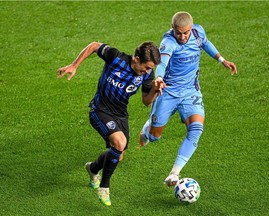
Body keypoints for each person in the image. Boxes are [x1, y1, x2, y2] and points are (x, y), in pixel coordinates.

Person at [57, 41, 164, 206]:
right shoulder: (116, 58)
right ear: (136, 59)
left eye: (151, 69)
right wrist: (74, 65)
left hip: (120, 114)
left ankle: (92, 168)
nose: (148, 71)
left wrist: (155, 90)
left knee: (118, 156)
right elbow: (93, 46)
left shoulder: (147, 75)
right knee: (119, 143)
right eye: (147, 67)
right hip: (99, 110)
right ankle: (104, 187)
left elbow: (146, 101)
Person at [139, 11, 237, 187]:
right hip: (168, 92)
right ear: (172, 29)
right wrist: (159, 78)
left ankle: (174, 173)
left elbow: (206, 44)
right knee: (154, 137)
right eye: (179, 33)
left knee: (196, 129)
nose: (183, 36)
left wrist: (222, 60)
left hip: (191, 92)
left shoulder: (198, 32)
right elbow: (162, 62)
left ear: (191, 28)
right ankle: (148, 129)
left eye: (186, 33)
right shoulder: (168, 42)